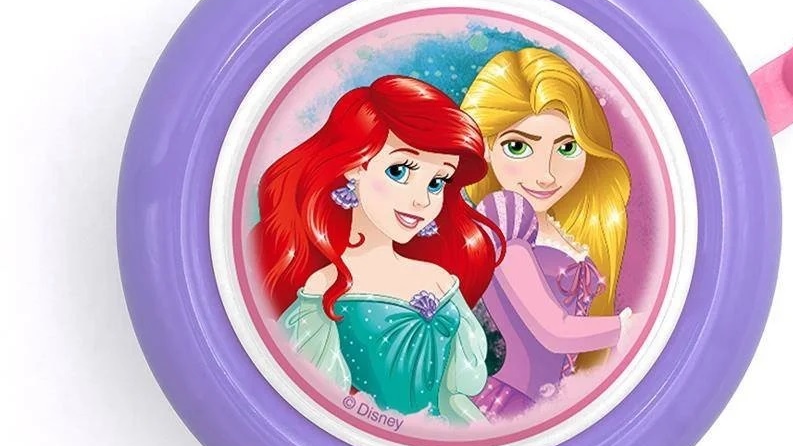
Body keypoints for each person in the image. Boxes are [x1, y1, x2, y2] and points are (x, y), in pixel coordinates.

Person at [252, 76, 503, 423]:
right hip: (363, 434)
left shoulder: (441, 280)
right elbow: (313, 400)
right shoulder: (326, 286)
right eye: (399, 171)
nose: (421, 199)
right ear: (355, 167)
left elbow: (459, 392)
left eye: (436, 182)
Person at [461, 48, 633, 419]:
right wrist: (625, 328)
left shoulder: (566, 227)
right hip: (510, 401)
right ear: (486, 145)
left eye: (567, 147)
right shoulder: (504, 225)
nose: (546, 174)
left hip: (555, 400)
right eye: (518, 147)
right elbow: (554, 330)